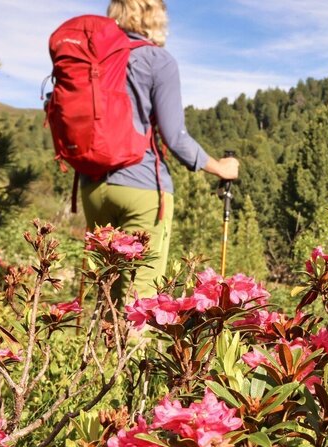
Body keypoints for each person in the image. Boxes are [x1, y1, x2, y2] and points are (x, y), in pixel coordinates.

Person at [82, 0, 239, 300]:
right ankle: (131, 350)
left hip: (92, 186)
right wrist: (220, 167)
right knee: (139, 299)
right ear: (153, 15)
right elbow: (174, 136)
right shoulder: (158, 60)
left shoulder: (92, 57)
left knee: (107, 293)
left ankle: (100, 347)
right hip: (141, 187)